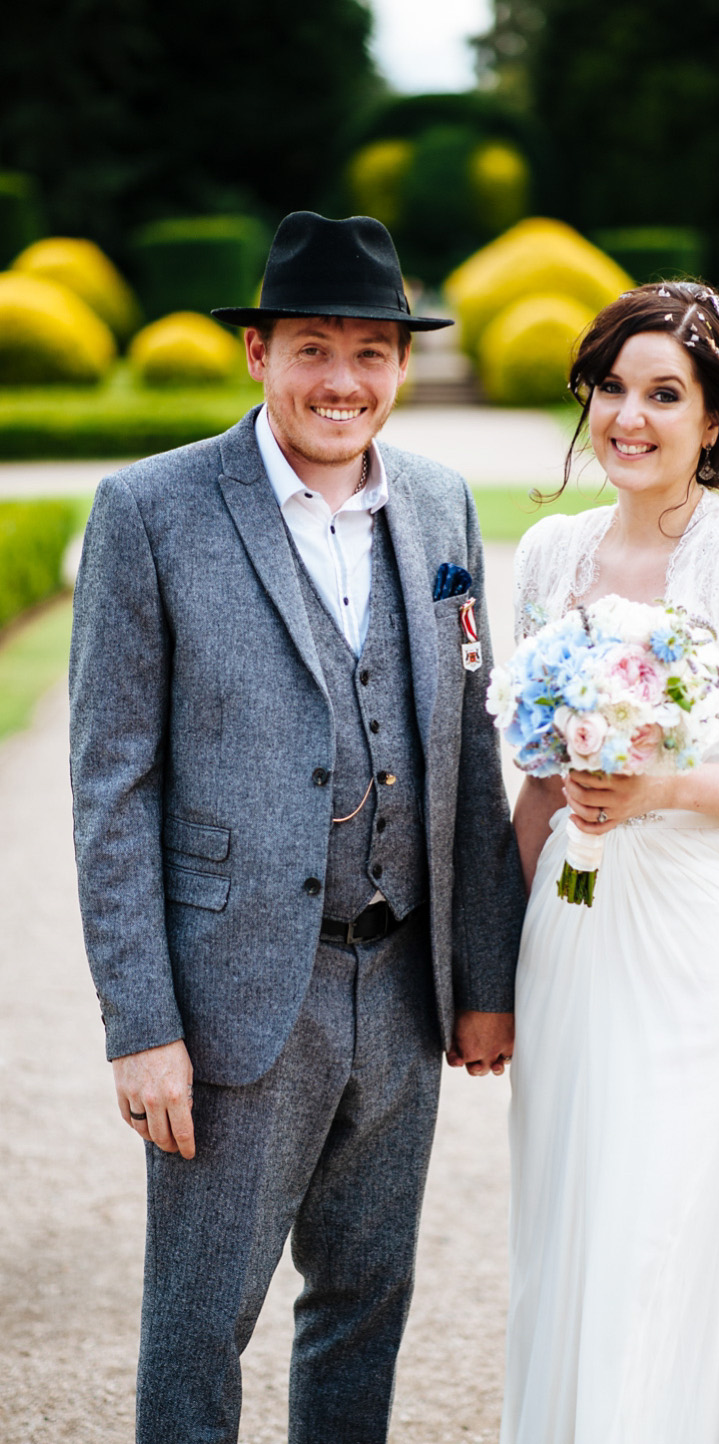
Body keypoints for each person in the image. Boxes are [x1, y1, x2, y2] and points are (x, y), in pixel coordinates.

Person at [69, 209, 526, 1444]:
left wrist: (484, 977)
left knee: (365, 1304)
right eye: (314, 347)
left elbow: (470, 755)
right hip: (234, 999)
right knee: (200, 1319)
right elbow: (113, 788)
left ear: (400, 366)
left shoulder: (443, 509)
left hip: (406, 982)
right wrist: (143, 1025)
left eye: (372, 352)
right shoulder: (150, 512)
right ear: (258, 352)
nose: (344, 380)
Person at [500, 282, 719, 1444]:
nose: (628, 416)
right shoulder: (550, 555)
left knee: (679, 1207)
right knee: (578, 1206)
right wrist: (492, 968)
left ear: (714, 420)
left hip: (705, 933)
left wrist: (669, 787)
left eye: (664, 393)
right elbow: (540, 779)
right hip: (575, 921)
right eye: (610, 387)